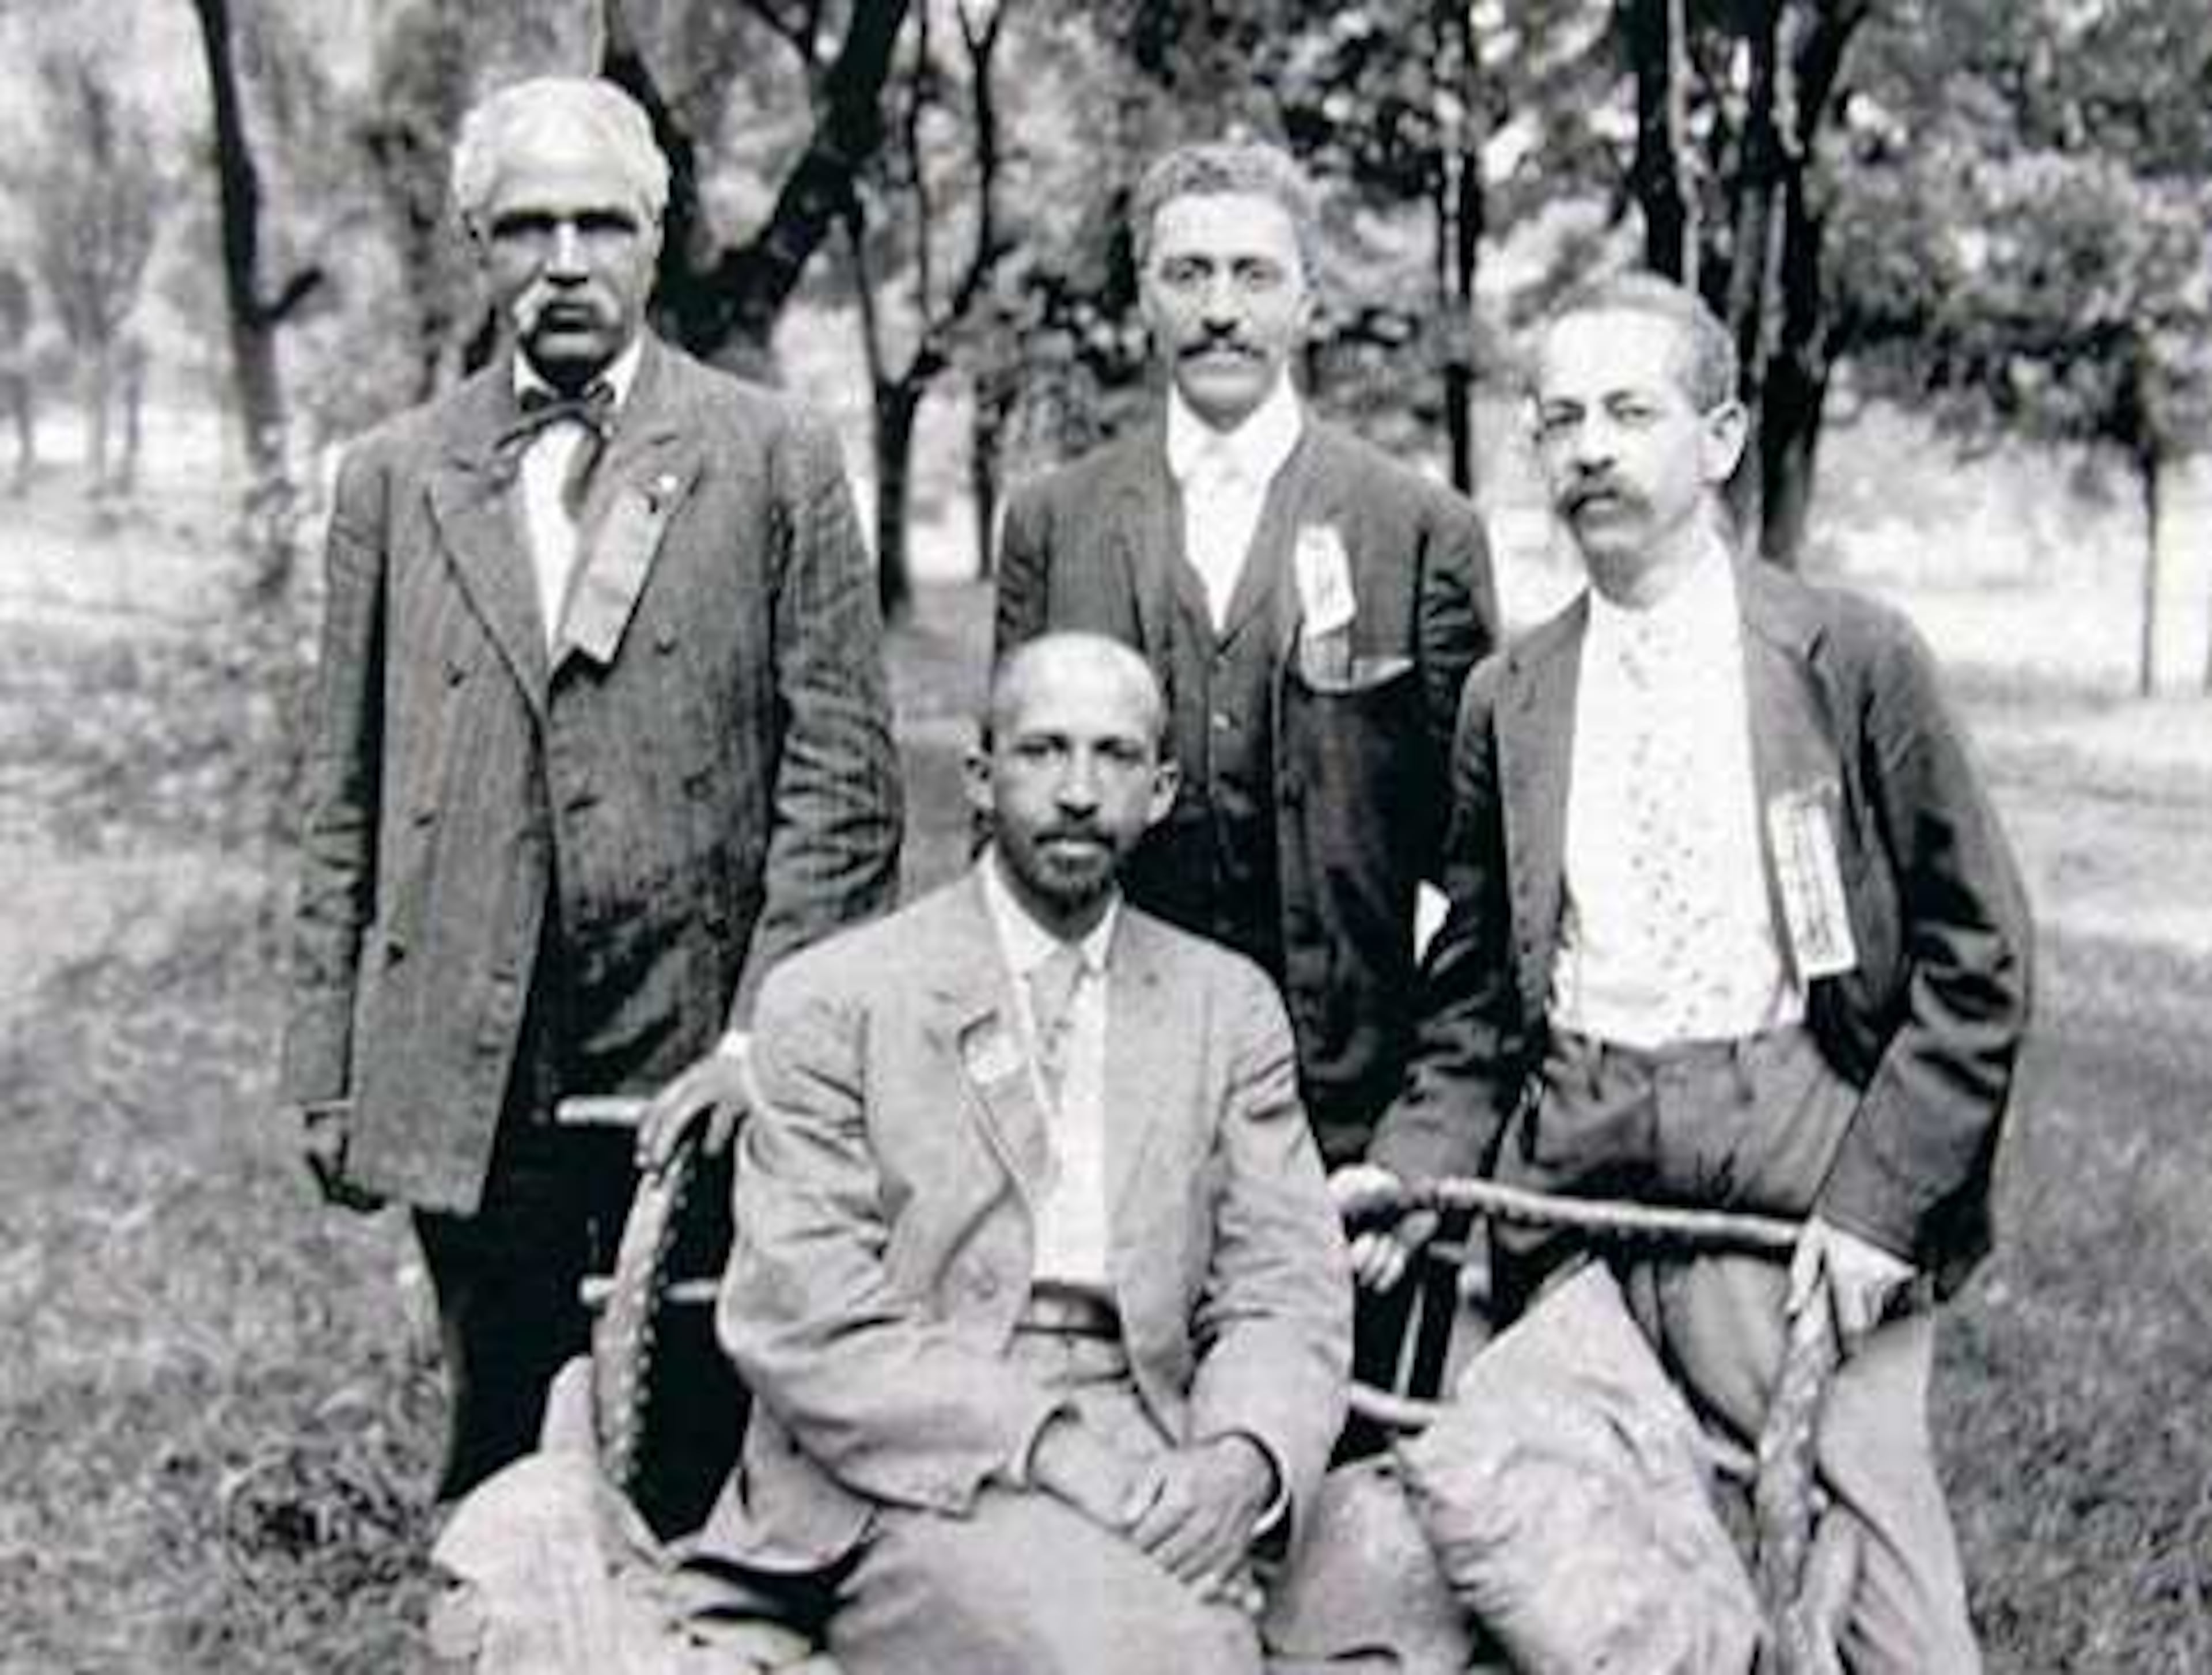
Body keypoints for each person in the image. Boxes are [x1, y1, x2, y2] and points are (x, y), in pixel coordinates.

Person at [1336, 272, 2032, 1672]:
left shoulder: (1849, 657)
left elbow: (1979, 954)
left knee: (1898, 1635)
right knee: (1510, 1563)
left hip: (1794, 1198)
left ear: (1716, 439)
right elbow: (1474, 992)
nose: (1591, 448)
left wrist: (1881, 1206)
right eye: (1561, 420)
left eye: (1630, 412)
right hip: (1568, 1195)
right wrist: (1414, 1167)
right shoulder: (1511, 694)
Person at [280, 75, 903, 1505]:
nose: (565, 262)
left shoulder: (773, 456)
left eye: (601, 224)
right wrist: (327, 1060)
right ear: (476, 244)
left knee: (693, 1433)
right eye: (527, 228)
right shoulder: (392, 477)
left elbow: (850, 784)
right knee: (503, 1433)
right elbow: (344, 791)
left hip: (689, 1040)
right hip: (471, 1042)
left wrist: (763, 1038)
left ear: (656, 235)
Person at [702, 632, 1353, 1675]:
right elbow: (805, 1311)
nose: (1081, 792)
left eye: (1116, 757)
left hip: (1157, 1441)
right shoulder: (837, 1000)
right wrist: (1051, 1447)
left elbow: (1284, 1286)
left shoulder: (1223, 1007)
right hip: (912, 1463)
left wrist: (1239, 1462)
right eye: (1043, 752)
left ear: (1164, 788)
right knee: (1152, 1659)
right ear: (979, 775)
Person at [994, 139, 1499, 1176]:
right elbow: (1005, 819)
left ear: (1307, 300)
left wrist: (1421, 1136)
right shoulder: (1054, 522)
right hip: (1105, 1094)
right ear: (1145, 297)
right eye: (1188, 274)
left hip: (1346, 1115)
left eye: (1255, 274)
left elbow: (1479, 873)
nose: (1220, 308)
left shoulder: (1417, 530)